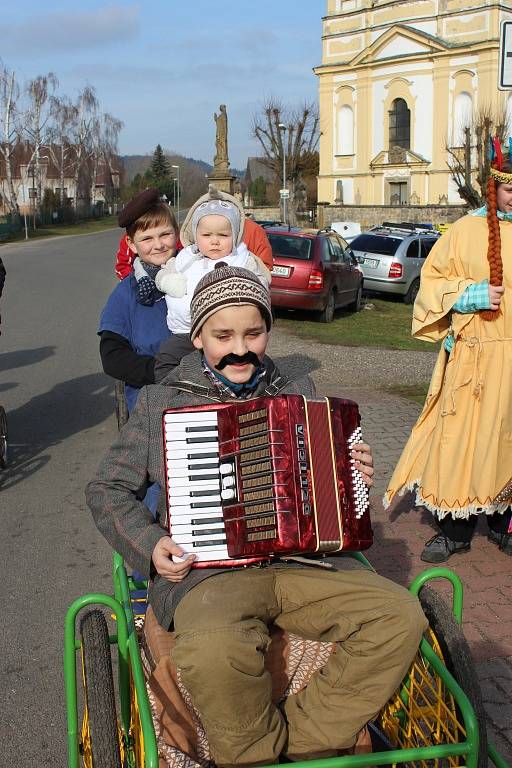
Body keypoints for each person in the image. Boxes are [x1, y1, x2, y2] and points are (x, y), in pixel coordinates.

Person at [87, 264, 427, 766]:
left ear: (268, 330)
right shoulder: (163, 403)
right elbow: (106, 488)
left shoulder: (299, 388)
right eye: (223, 335)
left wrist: (353, 472)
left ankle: (300, 742)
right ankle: (253, 755)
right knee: (212, 651)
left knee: (401, 617)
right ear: (198, 336)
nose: (240, 348)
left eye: (254, 332)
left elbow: (330, 479)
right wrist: (151, 546)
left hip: (305, 564)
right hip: (211, 575)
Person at [384, 142, 512, 562]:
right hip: (473, 360)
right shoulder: (464, 231)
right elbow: (431, 287)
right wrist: (469, 295)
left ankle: (502, 524)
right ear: (493, 188)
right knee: (459, 441)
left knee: (505, 443)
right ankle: (455, 530)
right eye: (509, 188)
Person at [153, 187, 271, 379]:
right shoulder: (186, 258)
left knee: (239, 366)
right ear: (194, 234)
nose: (214, 241)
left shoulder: (242, 260)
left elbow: (261, 281)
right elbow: (164, 273)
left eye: (223, 235)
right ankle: (171, 398)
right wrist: (168, 282)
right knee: (166, 360)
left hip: (228, 334)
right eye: (207, 236)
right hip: (185, 331)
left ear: (235, 235)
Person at [99, 187, 181, 414]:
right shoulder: (126, 294)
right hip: (152, 402)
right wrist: (160, 371)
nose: (158, 245)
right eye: (147, 238)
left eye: (165, 234)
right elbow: (113, 357)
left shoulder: (195, 277)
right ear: (132, 244)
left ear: (176, 232)